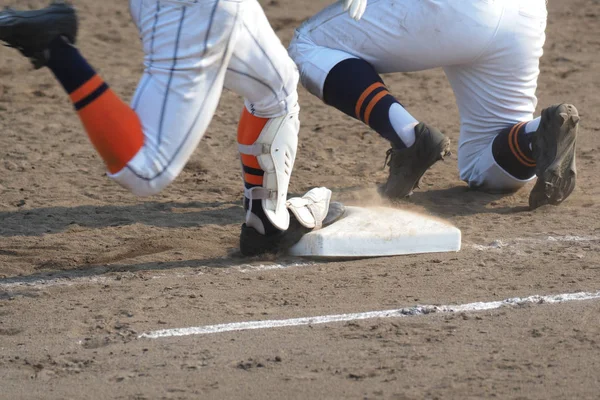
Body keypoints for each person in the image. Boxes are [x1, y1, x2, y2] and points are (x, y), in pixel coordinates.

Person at [0, 1, 353, 256]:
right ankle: (55, 47)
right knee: (145, 170)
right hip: (192, 11)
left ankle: (266, 223)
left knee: (278, 88)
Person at [288, 0, 579, 210]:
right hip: (524, 13)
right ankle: (536, 134)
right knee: (481, 164)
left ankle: (409, 136)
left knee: (307, 43)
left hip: (458, 12)